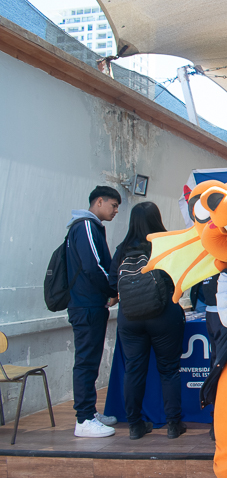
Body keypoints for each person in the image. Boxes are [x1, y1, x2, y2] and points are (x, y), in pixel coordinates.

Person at [109, 202, 187, 439]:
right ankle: (173, 424)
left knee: (133, 370)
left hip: (129, 317)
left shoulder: (122, 250)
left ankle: (135, 425)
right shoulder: (166, 244)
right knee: (169, 370)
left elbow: (112, 284)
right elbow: (181, 278)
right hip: (164, 316)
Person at [66, 185, 121, 438]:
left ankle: (89, 411)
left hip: (90, 305)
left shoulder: (90, 227)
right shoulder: (86, 226)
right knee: (86, 362)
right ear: (99, 201)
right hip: (86, 305)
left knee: (90, 361)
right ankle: (84, 419)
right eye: (113, 205)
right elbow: (94, 266)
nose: (115, 211)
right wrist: (112, 290)